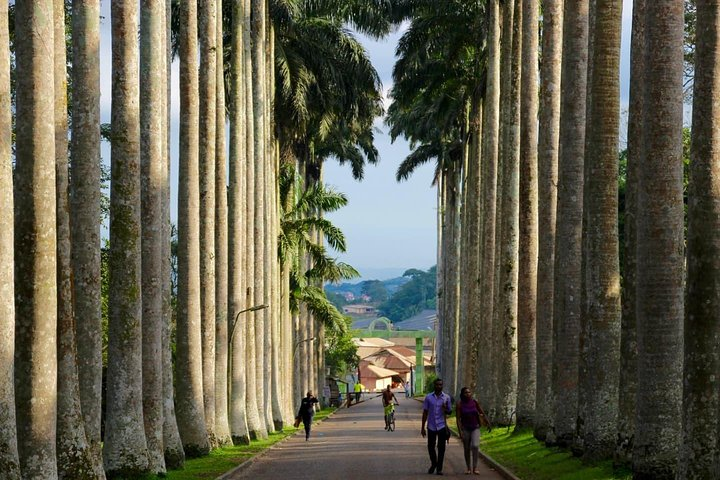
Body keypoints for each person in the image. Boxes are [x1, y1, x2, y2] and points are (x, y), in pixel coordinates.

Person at [456, 387, 491, 475]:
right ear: (462, 394)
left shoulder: (474, 402)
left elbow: (481, 412)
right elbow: (458, 419)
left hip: (475, 427)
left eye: (469, 392)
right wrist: (460, 432)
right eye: (465, 393)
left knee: (475, 446)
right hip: (465, 429)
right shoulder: (459, 404)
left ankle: (475, 468)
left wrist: (487, 422)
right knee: (466, 449)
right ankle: (468, 468)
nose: (468, 394)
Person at [421, 378, 452, 475]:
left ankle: (439, 468)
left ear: (442, 386)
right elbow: (425, 412)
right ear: (434, 385)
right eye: (437, 384)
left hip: (442, 426)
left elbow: (450, 411)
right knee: (430, 447)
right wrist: (422, 427)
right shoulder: (428, 397)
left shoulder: (446, 398)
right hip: (431, 426)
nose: (439, 386)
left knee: (441, 448)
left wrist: (445, 408)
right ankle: (434, 463)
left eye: (440, 385)